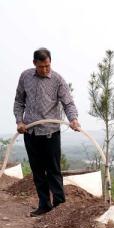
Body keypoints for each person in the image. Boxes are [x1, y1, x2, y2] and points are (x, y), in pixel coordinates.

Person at [13, 47, 80, 217]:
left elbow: (68, 103)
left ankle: (59, 205)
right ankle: (44, 205)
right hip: (30, 132)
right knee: (37, 171)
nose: (44, 69)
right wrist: (19, 121)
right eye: (41, 66)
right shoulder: (25, 76)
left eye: (47, 66)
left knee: (53, 170)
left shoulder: (57, 80)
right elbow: (19, 101)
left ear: (50, 63)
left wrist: (73, 119)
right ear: (34, 63)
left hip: (50, 133)